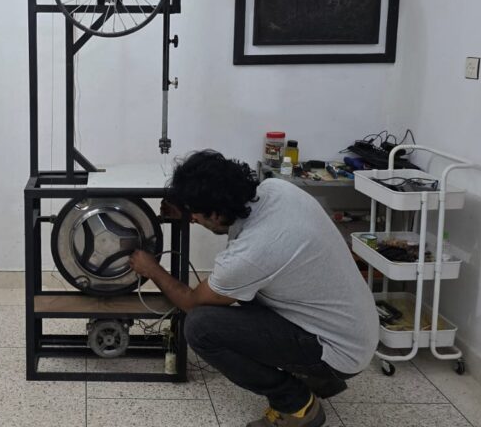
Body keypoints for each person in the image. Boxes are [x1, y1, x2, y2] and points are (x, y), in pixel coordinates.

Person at [129, 150, 377, 427]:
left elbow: (191, 302)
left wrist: (152, 269)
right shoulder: (276, 190)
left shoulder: (254, 251)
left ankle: (296, 404)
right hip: (353, 329)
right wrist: (188, 211)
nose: (193, 220)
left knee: (200, 326)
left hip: (338, 350)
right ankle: (317, 378)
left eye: (195, 214)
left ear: (216, 213)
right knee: (242, 293)